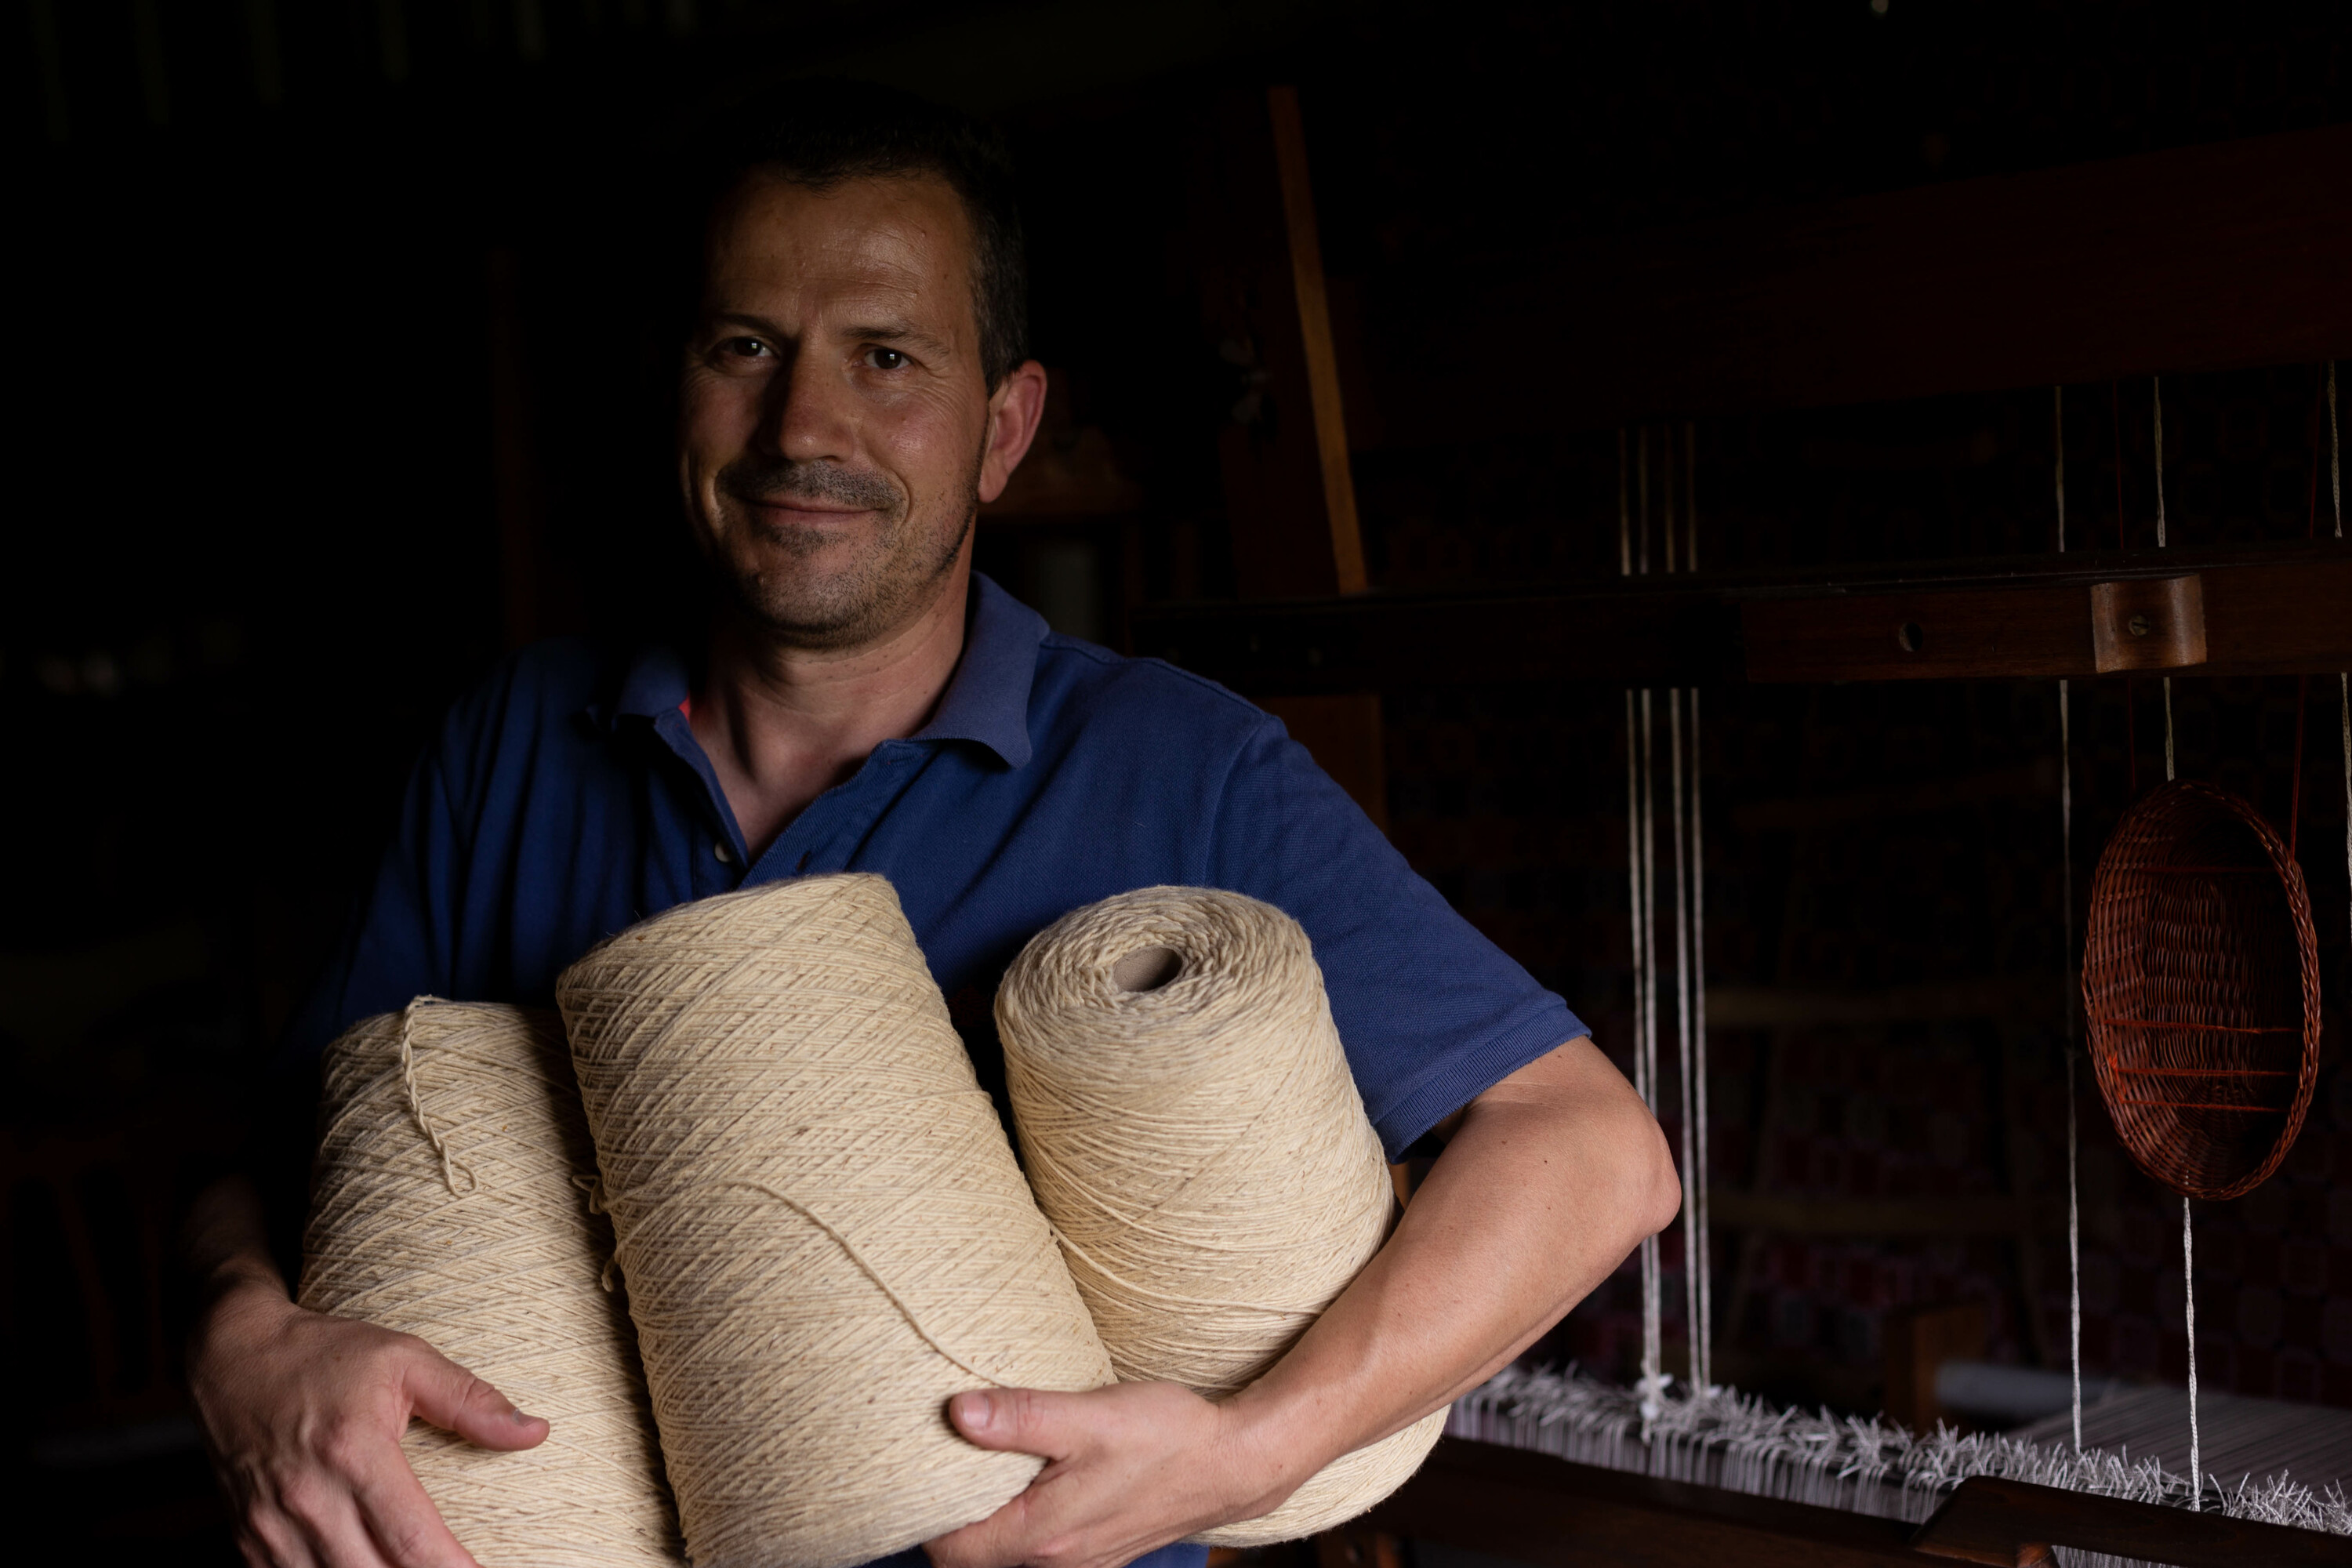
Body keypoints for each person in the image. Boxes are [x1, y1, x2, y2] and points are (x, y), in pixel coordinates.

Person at [182, 80, 1679, 1568]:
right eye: (745, 348)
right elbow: (276, 1151)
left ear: (1003, 428)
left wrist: (1256, 1449)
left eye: (886, 358)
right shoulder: (511, 741)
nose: (803, 426)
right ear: (676, 385)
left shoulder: (1178, 767)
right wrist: (243, 1338)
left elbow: (1588, 1150)